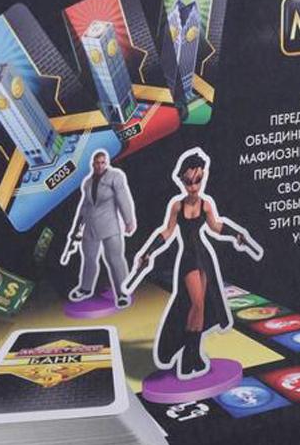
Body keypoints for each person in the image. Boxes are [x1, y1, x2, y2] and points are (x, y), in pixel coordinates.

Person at [128, 148, 262, 378]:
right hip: (188, 259)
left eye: (198, 180)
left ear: (203, 177)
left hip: (203, 257)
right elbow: (167, 232)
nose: (193, 186)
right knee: (197, 303)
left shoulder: (205, 204)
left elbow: (216, 226)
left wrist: (236, 234)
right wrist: (148, 251)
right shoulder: (177, 206)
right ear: (182, 180)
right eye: (189, 181)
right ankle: (189, 357)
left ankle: (193, 356)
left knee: (201, 305)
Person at [64, 150, 136, 307]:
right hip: (90, 226)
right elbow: (84, 206)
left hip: (110, 225)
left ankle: (122, 293)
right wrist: (76, 227)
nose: (100, 165)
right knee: (89, 259)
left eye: (103, 162)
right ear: (93, 164)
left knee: (115, 259)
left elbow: (123, 199)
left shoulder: (115, 177)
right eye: (97, 163)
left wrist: (129, 221)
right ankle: (85, 288)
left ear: (107, 163)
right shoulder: (88, 182)